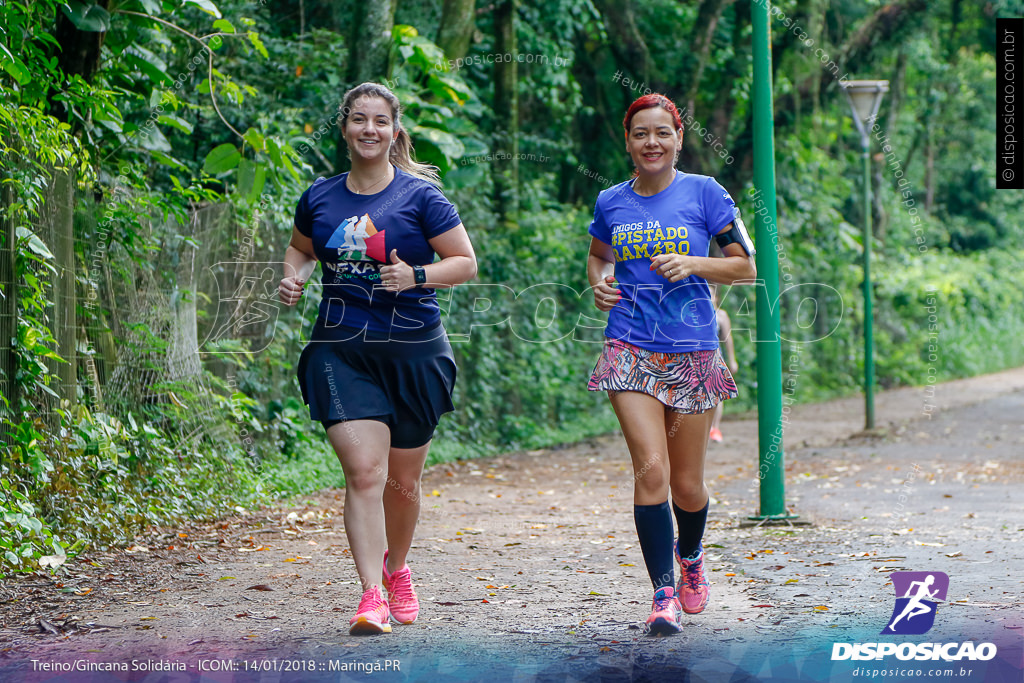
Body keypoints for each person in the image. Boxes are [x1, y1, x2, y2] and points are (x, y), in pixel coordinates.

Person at [279, 82, 477, 635]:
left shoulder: (421, 198)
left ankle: (397, 568)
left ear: (395, 131)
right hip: (340, 351)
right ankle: (370, 595)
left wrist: (415, 275)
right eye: (359, 119)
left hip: (415, 353)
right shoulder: (320, 196)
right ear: (344, 128)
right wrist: (294, 277)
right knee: (365, 472)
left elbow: (464, 263)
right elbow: (301, 249)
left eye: (381, 121)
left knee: (401, 484)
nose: (370, 129)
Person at [586, 93, 756, 634]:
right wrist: (599, 283)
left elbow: (747, 267)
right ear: (628, 140)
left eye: (662, 132)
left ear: (679, 138)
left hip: (692, 351)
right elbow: (598, 256)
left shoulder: (705, 193)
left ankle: (691, 557)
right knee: (650, 470)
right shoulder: (611, 201)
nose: (651, 142)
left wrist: (694, 263)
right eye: (641, 133)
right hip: (630, 346)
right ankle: (663, 594)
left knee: (687, 486)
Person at [708, 285, 739, 443]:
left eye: (712, 295)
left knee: (716, 395)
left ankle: (715, 428)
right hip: (696, 358)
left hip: (715, 356)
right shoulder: (695, 313)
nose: (709, 298)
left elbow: (728, 338)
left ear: (717, 298)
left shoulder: (721, 315)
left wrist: (732, 360)